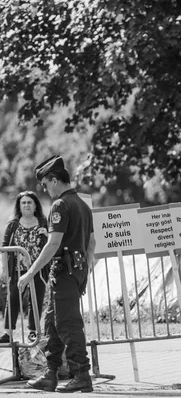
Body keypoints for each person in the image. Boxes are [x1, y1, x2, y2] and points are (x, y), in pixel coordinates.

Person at [17, 155, 96, 393]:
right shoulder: (82, 204)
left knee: (68, 324)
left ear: (53, 180)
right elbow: (91, 243)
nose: (44, 190)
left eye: (44, 185)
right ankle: (50, 374)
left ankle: (82, 374)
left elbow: (53, 244)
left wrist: (30, 273)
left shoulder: (61, 205)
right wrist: (85, 272)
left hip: (64, 272)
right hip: (74, 272)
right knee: (52, 325)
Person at [0, 191, 49, 343]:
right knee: (13, 298)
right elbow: (4, 247)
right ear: (19, 206)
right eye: (23, 203)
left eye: (29, 202)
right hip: (17, 270)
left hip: (38, 268)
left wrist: (47, 235)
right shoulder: (13, 224)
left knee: (36, 299)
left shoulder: (42, 221)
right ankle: (8, 333)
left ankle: (33, 332)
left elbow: (52, 243)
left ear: (35, 206)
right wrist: (4, 269)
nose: (26, 205)